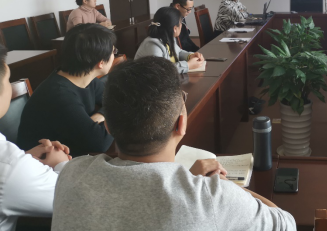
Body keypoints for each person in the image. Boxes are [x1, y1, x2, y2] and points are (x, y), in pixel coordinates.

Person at [52, 57, 296, 231]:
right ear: (181, 124)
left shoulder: (71, 174)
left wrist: (188, 182)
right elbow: (286, 224)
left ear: (107, 127)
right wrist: (218, 187)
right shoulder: (211, 197)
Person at [0, 44, 72, 231]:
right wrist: (61, 164)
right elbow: (75, 199)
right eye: (8, 80)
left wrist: (25, 159)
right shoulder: (10, 168)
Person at [18, 24, 115, 157]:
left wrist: (101, 114)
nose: (114, 55)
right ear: (101, 62)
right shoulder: (58, 95)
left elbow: (116, 98)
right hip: (43, 165)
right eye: (113, 52)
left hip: (70, 153)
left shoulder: (83, 77)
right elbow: (100, 142)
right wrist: (115, 113)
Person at [135, 7, 203, 74]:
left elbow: (178, 52)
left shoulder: (169, 37)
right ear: (175, 28)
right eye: (181, 22)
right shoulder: (152, 45)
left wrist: (190, 56)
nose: (181, 25)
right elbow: (160, 71)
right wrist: (188, 65)